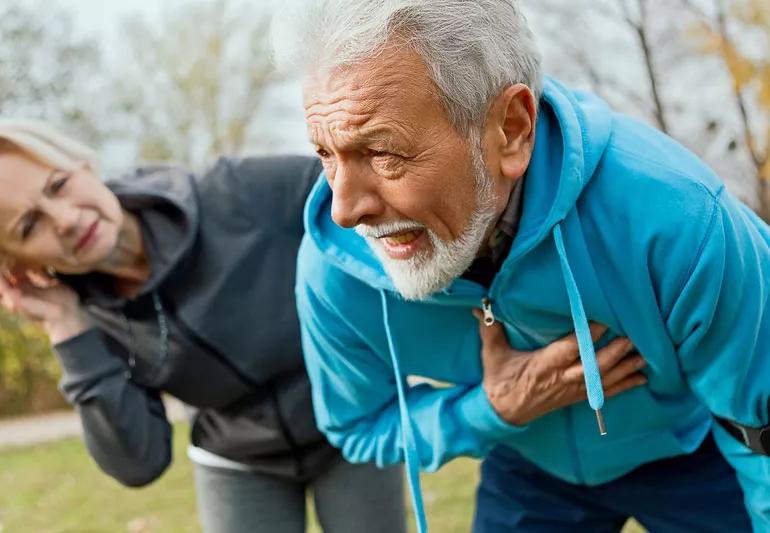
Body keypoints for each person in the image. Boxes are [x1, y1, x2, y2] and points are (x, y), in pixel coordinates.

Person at [271, 1, 770, 531]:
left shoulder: (677, 216)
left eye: (382, 152)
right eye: (326, 154)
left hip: (695, 452)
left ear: (511, 128)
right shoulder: (333, 269)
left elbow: (761, 425)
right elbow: (358, 427)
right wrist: (492, 409)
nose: (345, 211)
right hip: (528, 463)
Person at [0, 120, 407, 533]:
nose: (65, 219)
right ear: (17, 266)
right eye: (29, 227)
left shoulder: (236, 193)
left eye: (57, 185)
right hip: (237, 461)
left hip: (350, 425)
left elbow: (364, 204)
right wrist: (67, 327)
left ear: (82, 166)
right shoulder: (90, 318)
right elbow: (139, 462)